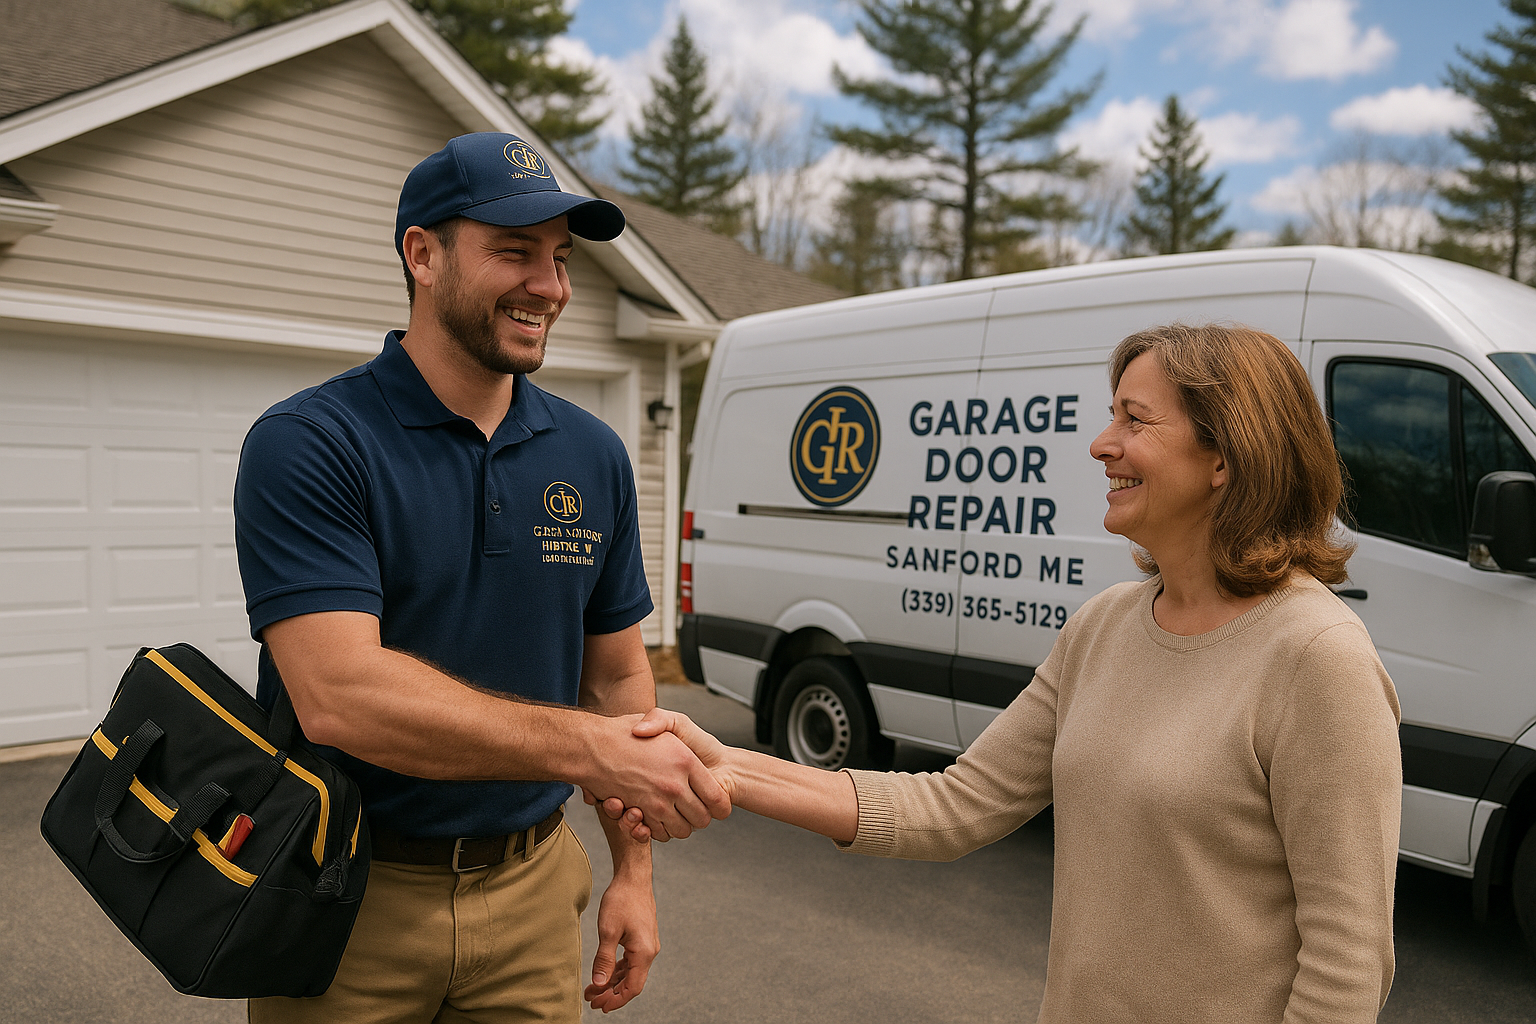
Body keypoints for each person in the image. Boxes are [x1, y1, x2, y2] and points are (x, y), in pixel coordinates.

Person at [609, 323, 1404, 1021]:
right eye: (1109, 416)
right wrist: (730, 767)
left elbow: (1347, 962)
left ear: (1225, 456)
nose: (1101, 444)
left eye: (1134, 419)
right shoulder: (1104, 627)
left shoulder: (1316, 658)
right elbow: (953, 806)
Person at [233, 132, 730, 1024]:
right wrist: (587, 748)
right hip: (345, 894)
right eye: (514, 251)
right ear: (422, 255)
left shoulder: (593, 453)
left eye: (561, 258)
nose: (551, 286)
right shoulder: (313, 443)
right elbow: (340, 696)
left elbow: (617, 677)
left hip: (535, 895)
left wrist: (636, 872)